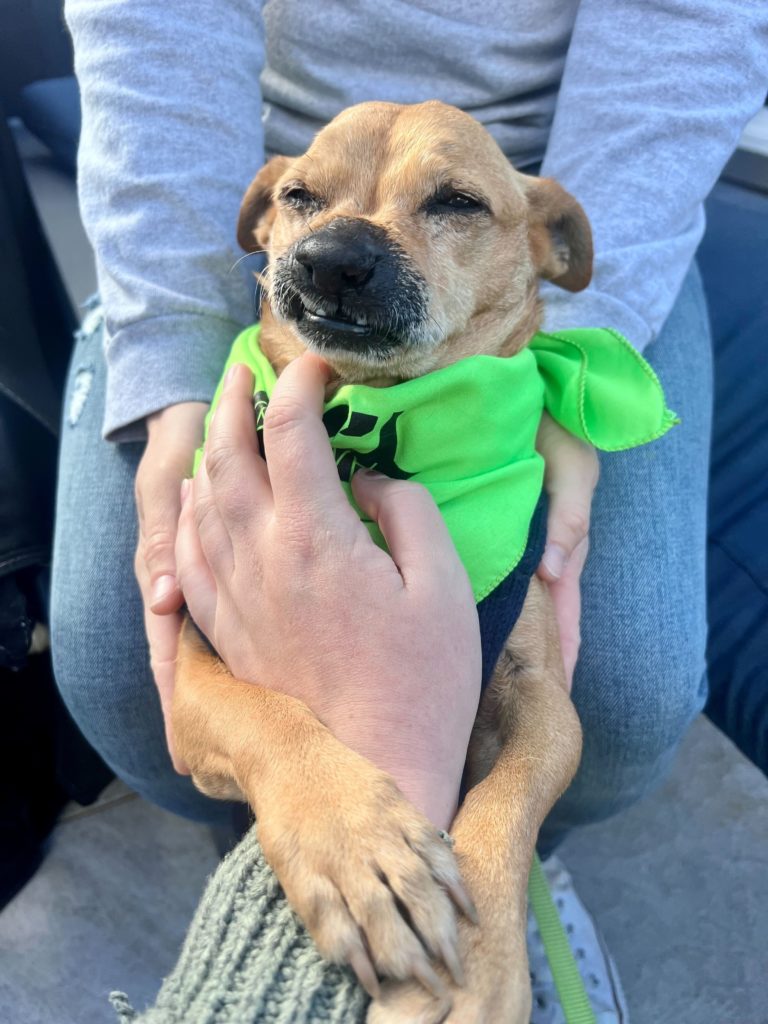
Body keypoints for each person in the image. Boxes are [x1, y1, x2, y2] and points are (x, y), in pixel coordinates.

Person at [51, 0, 768, 1016]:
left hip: (588, 165)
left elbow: (689, 27)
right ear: (268, 221)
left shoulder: (548, 241)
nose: (346, 252)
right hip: (220, 144)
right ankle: (314, 844)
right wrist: (172, 369)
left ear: (547, 245)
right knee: (122, 670)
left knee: (628, 688)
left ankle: (499, 879)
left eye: (448, 206)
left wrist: (567, 364)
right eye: (304, 209)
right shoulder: (269, 219)